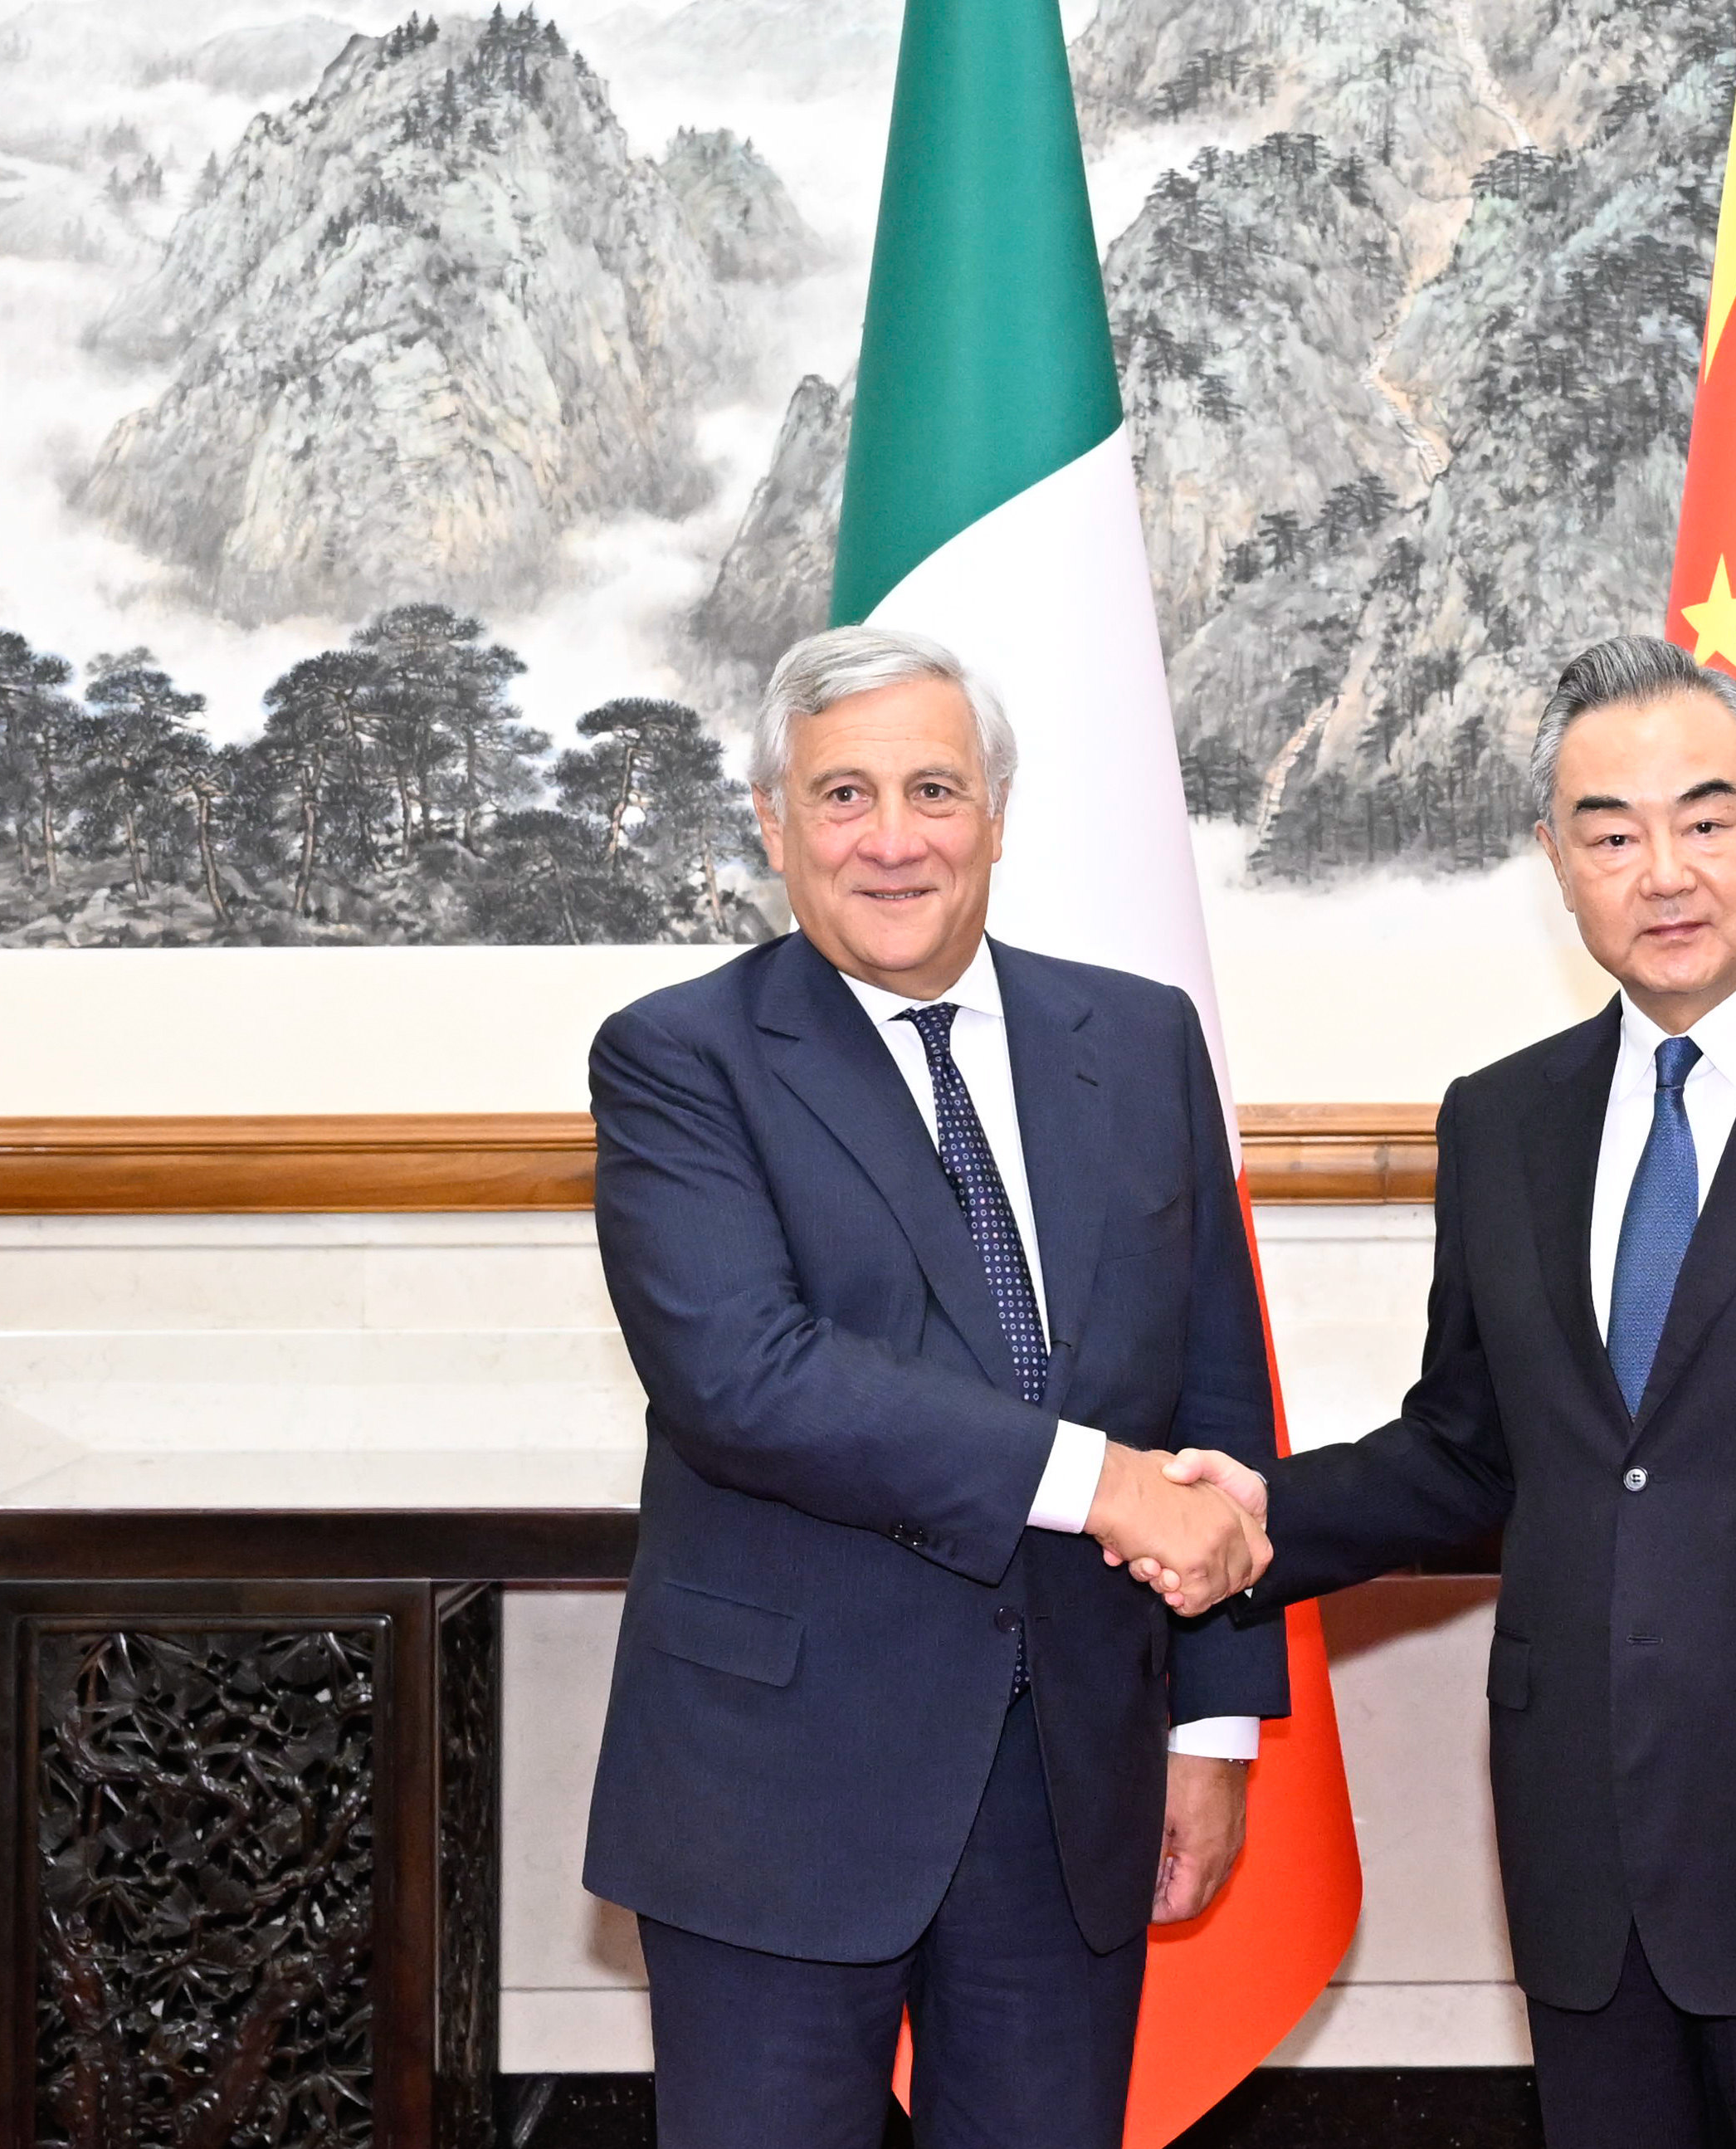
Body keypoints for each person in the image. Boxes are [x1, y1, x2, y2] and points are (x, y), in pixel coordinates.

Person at [1151, 637, 1736, 2147]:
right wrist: (1263, 1514)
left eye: (1706, 819)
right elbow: (1469, 1447)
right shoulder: (1501, 1121)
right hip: (1587, 1852)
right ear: (1554, 863)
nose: (1665, 872)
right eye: (1611, 831)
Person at [580, 624, 1283, 2149]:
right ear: (773, 823)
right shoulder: (679, 1059)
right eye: (841, 795)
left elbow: (1216, 1386)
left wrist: (1211, 1732)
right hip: (779, 1791)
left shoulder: (1142, 1038)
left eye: (933, 790)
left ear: (997, 815)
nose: (890, 841)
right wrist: (1095, 1478)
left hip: (1071, 1779)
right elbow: (747, 1377)